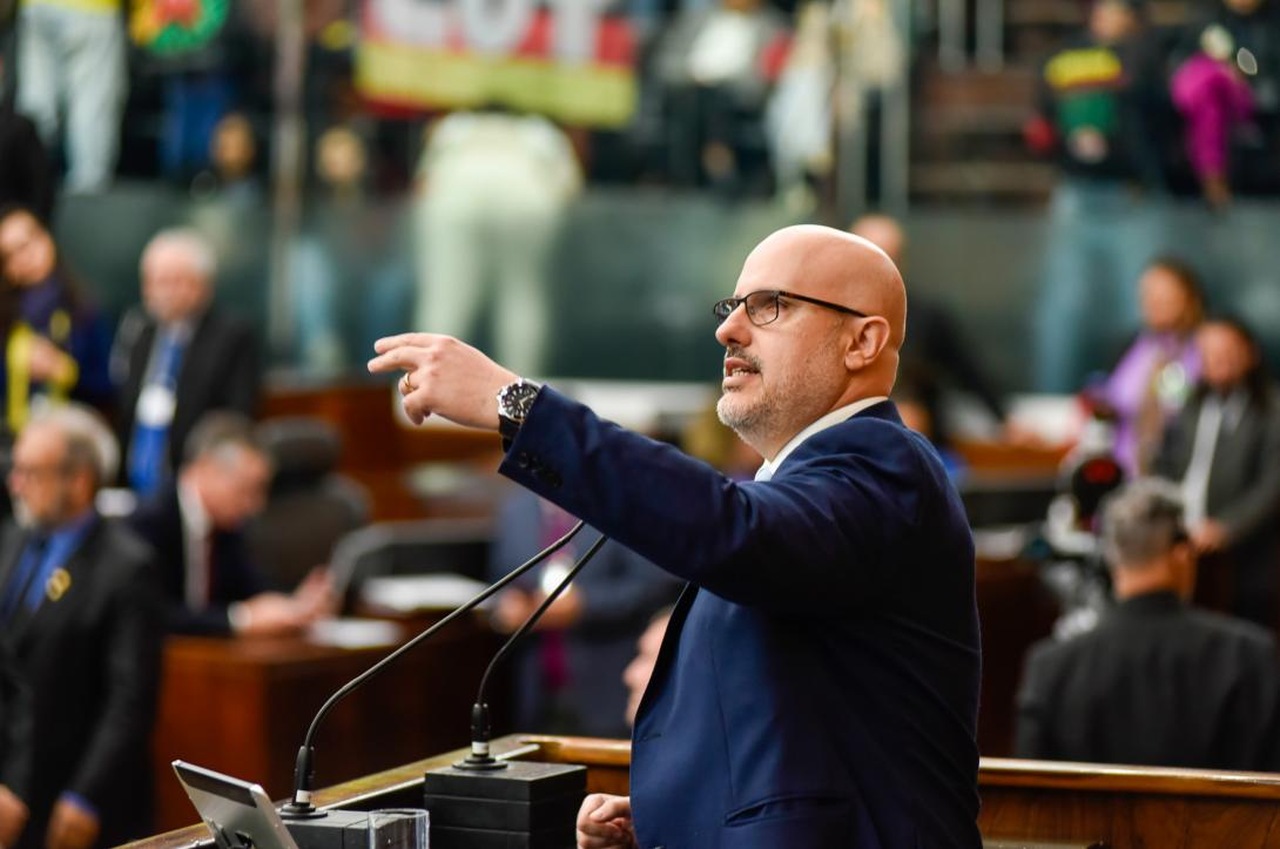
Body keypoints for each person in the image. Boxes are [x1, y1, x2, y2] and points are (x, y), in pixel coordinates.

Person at [369, 224, 982, 848]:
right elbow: (795, 724)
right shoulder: (802, 486)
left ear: (861, 341)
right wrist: (677, 817)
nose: (729, 330)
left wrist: (515, 404)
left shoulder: (885, 467)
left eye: (770, 305)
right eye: (732, 306)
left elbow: (736, 533)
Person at [1016, 478, 1280, 770]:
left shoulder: (1052, 669)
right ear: (1182, 555)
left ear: (1110, 558)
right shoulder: (1247, 656)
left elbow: (1032, 792)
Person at [0, 403, 164, 849]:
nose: (15, 484)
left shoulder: (127, 567)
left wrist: (85, 796)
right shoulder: (12, 540)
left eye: (31, 472)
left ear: (78, 480)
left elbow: (129, 700)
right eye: (15, 469)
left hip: (70, 797)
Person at [1024, 0, 1169, 392]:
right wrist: (1056, 147)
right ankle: (1050, 398)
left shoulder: (1146, 54)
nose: (1110, 16)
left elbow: (1160, 113)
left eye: (1119, 9)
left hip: (1132, 194)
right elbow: (1042, 120)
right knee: (1062, 308)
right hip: (1078, 193)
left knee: (1141, 306)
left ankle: (1142, 398)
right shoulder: (1064, 56)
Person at [487, 492, 680, 739]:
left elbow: (654, 586)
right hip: (537, 686)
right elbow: (498, 581)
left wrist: (584, 605)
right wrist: (508, 605)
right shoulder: (515, 512)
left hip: (607, 682)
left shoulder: (621, 504)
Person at [128, 411, 334, 636]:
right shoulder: (149, 522)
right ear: (206, 469)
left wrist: (294, 604)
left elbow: (252, 587)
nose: (256, 505)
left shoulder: (229, 527)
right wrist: (239, 619)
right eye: (248, 489)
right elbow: (151, 614)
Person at [111, 228, 260, 497]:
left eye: (175, 281)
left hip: (195, 483)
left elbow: (233, 420)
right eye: (155, 281)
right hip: (133, 482)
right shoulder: (140, 332)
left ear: (203, 284)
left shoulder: (232, 336)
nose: (163, 292)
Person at [1151, 317, 1280, 629]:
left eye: (1226, 350)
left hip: (1243, 552)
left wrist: (1225, 527)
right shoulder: (1191, 406)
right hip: (1181, 542)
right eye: (1207, 352)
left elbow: (1272, 485)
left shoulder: (1270, 410)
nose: (1217, 359)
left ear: (1250, 353)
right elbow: (1165, 465)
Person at [850, 213, 1011, 448]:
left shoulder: (928, 318)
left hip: (919, 441)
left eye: (890, 257)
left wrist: (1005, 420)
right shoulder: (832, 318)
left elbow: (970, 372)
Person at [0, 205, 113, 441]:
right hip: (12, 438)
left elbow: (107, 388)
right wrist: (16, 366)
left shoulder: (83, 310)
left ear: (46, 238)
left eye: (26, 245)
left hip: (72, 437)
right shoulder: (7, 318)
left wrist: (63, 370)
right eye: (9, 256)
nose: (23, 259)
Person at [1088, 256, 1204, 476]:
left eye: (1163, 294)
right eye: (1147, 294)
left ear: (1189, 297)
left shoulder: (1205, 349)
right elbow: (1113, 401)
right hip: (1124, 472)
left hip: (1181, 473)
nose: (1153, 302)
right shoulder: (1133, 345)